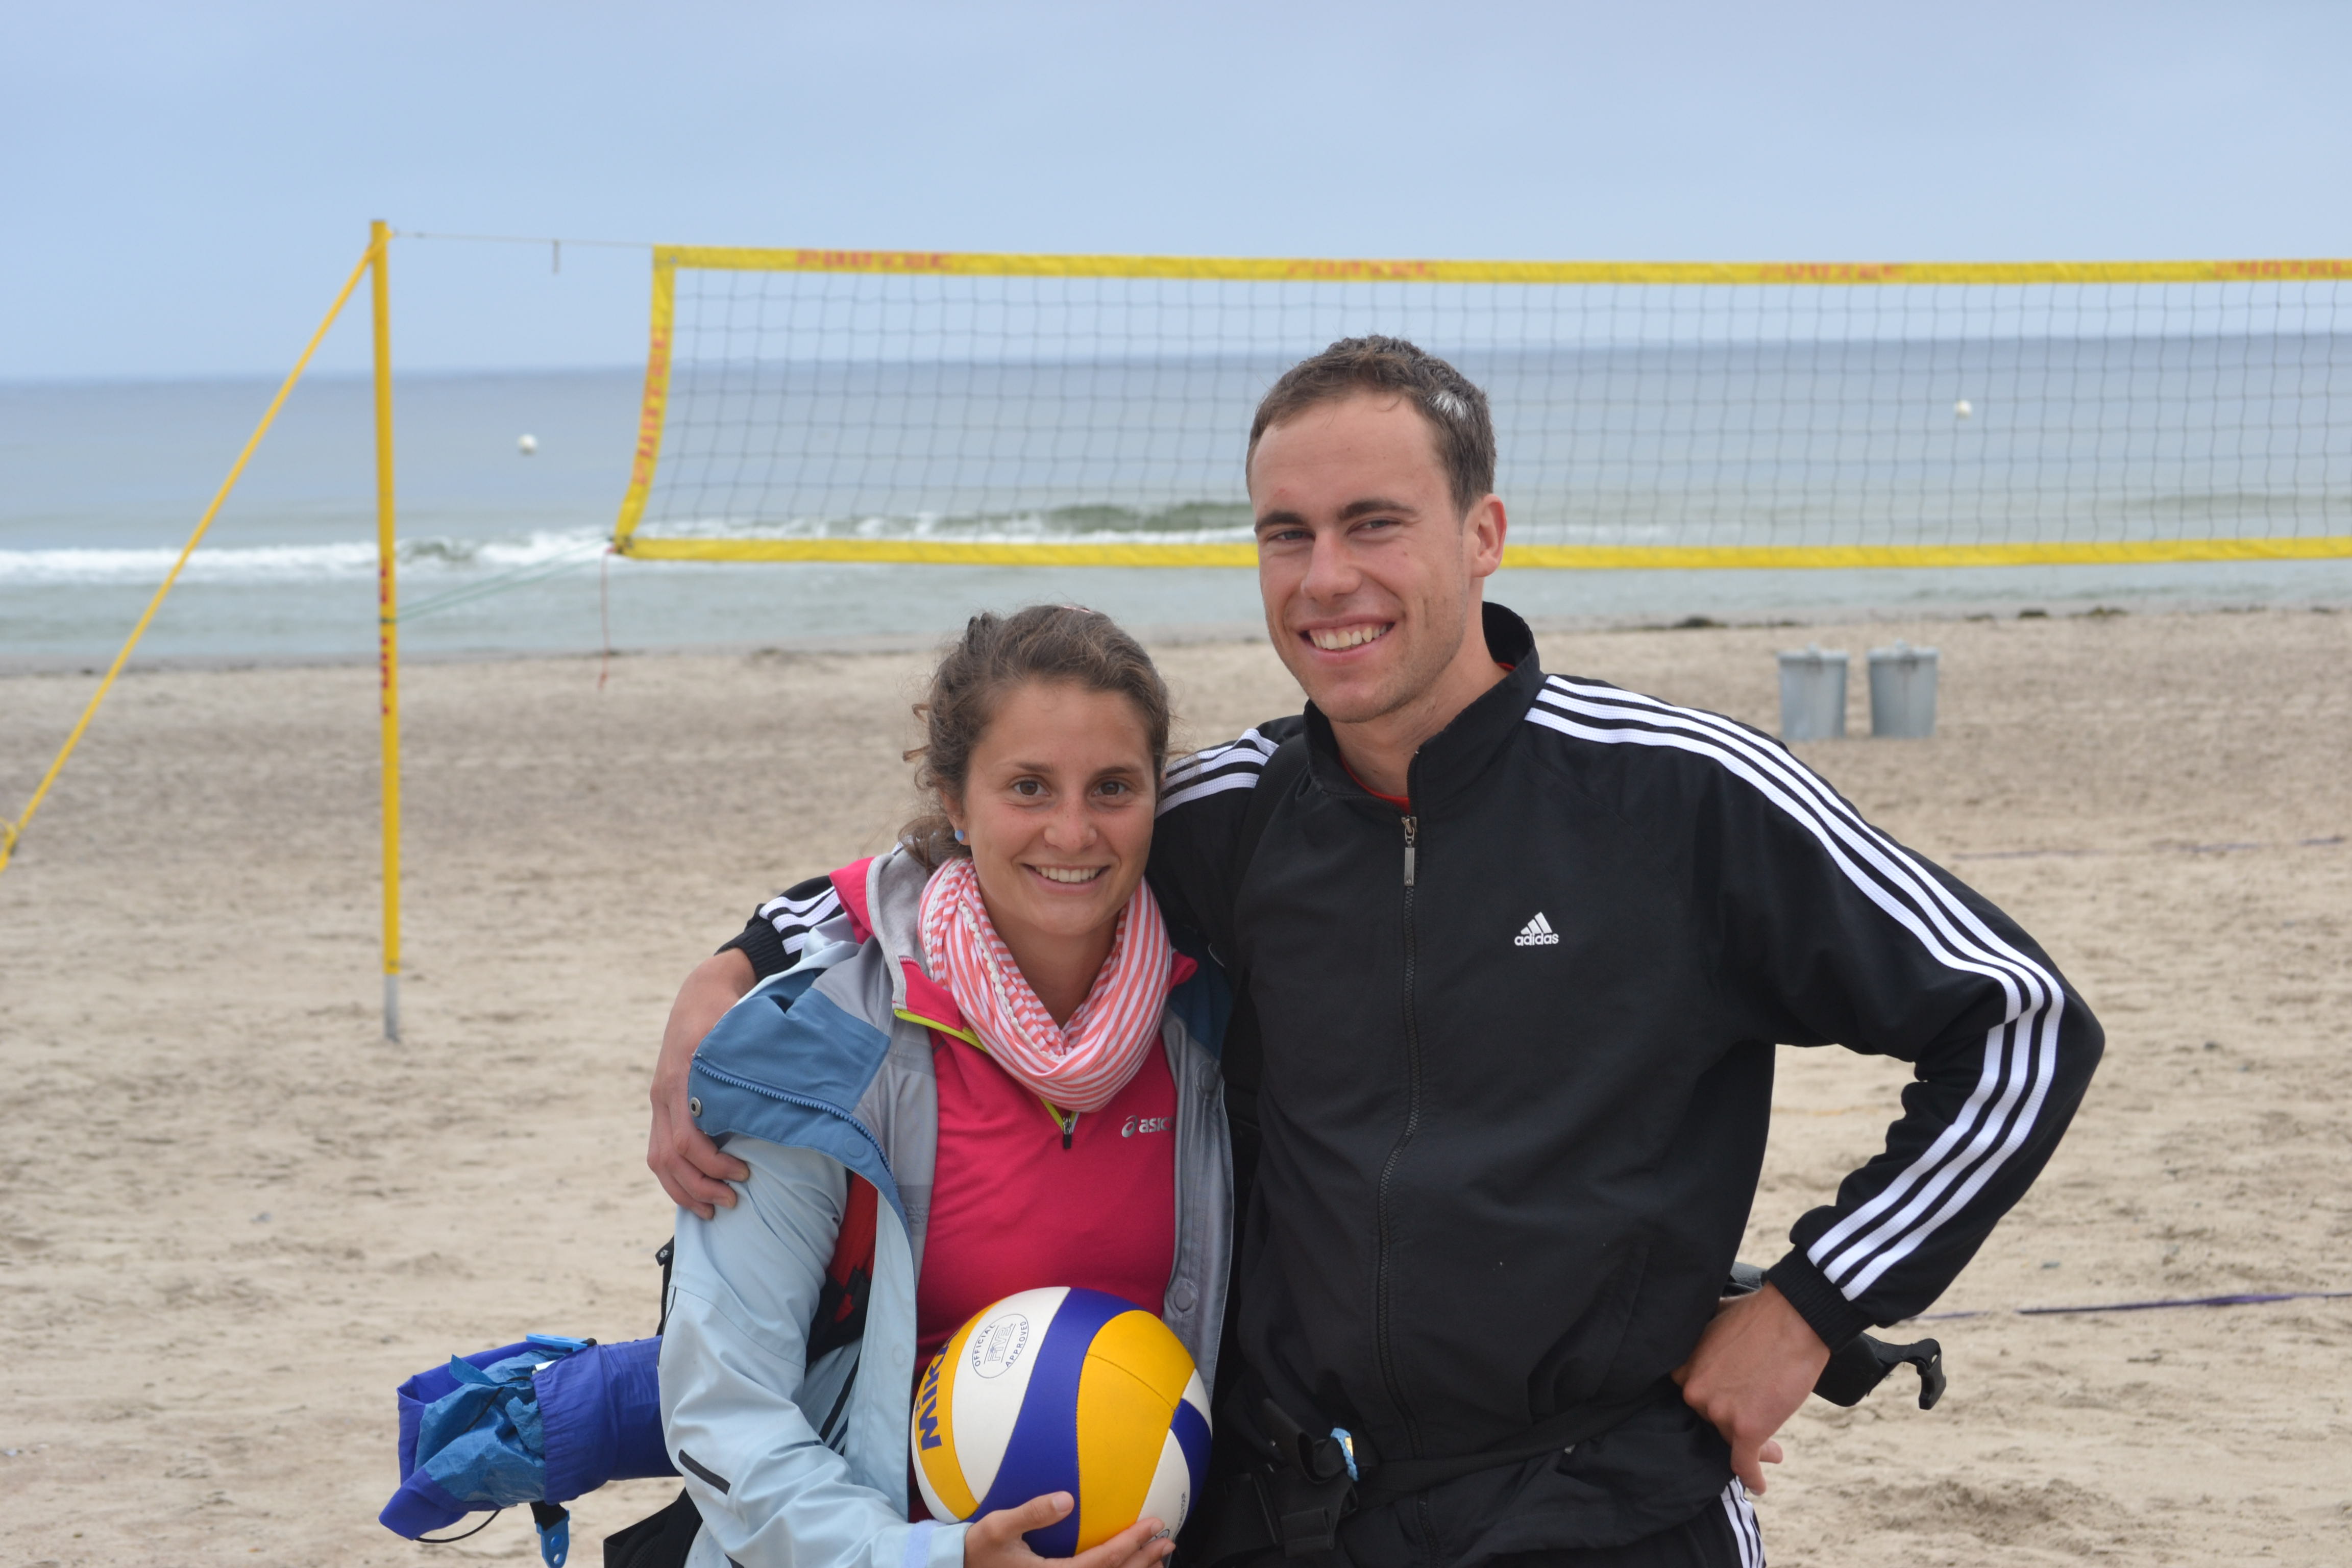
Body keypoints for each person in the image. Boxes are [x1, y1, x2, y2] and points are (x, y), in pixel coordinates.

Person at [652, 340, 2102, 1567]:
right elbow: (978, 871)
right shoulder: (1228, 817)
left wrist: (1812, 1307)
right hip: (1291, 1506)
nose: (1326, 576)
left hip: (1603, 1502)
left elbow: (2025, 1026)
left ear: (1484, 533)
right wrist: (735, 964)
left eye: (1374, 524)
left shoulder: (1680, 796)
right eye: (1286, 534)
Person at [646, 606, 1233, 1568]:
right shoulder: (821, 1050)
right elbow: (724, 1413)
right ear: (956, 802)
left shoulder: (1213, 1026)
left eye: (1114, 787)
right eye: (1029, 787)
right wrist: (933, 1558)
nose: (1074, 830)